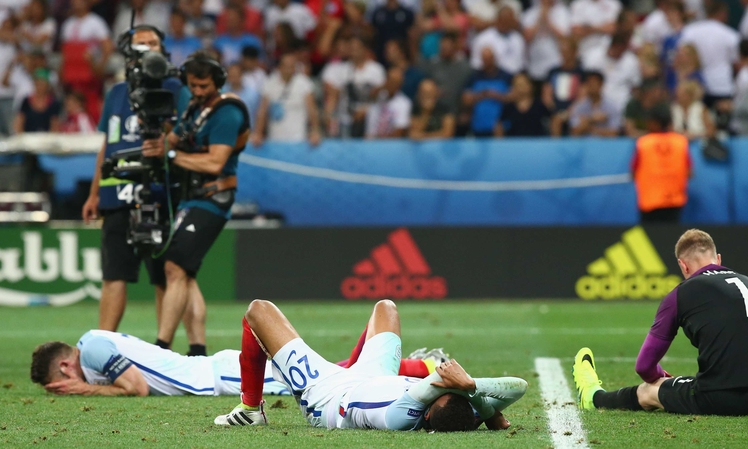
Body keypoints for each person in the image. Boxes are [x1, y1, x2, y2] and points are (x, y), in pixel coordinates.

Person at [573, 229, 748, 416]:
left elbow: (644, 367)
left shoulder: (680, 294)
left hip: (718, 399)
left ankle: (594, 397)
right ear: (718, 259)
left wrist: (660, 376)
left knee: (648, 391)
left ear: (683, 266)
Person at [213, 299, 528, 430]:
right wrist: (474, 393)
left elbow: (431, 388)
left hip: (325, 394)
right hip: (372, 375)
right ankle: (360, 363)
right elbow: (519, 387)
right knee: (386, 308)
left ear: (427, 413)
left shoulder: (399, 419)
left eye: (437, 391)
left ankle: (250, 410)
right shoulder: (460, 411)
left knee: (258, 310)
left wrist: (467, 388)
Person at [81, 26, 194, 348]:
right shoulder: (117, 91)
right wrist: (94, 192)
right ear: (128, 51)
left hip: (162, 193)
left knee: (164, 276)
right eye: (141, 44)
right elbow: (108, 143)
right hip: (117, 193)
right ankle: (100, 350)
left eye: (153, 43)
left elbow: (187, 130)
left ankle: (164, 349)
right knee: (114, 275)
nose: (147, 48)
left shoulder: (176, 87)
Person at [141, 50, 249, 354]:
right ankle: (198, 349)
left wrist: (171, 155)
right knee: (184, 274)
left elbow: (215, 162)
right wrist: (156, 138)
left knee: (174, 267)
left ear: (217, 82)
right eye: (193, 85)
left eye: (204, 86)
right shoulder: (192, 106)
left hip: (213, 198)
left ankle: (160, 347)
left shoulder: (227, 112)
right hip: (189, 198)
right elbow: (173, 139)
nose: (198, 91)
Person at [30, 325, 446, 397]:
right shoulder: (95, 342)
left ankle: (420, 366)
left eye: (62, 384)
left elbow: (136, 388)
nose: (70, 388)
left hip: (219, 376)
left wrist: (84, 390)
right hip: (217, 370)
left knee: (330, 382)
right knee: (332, 375)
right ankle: (419, 365)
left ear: (66, 367)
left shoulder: (94, 350)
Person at [630, 104, 691, 223]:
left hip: (650, 202)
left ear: (655, 122)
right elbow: (689, 172)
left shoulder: (643, 143)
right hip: (674, 201)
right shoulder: (680, 141)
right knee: (672, 239)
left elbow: (633, 172)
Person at [252, 52, 320, 145]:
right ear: (279, 67)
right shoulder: (269, 84)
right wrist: (258, 133)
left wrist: (315, 131)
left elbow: (312, 111)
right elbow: (262, 111)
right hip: (275, 139)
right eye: (286, 66)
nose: (289, 69)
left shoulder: (304, 84)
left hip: (299, 139)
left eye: (292, 66)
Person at [462, 47, 512, 138]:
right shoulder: (474, 77)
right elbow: (466, 100)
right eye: (484, 59)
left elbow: (513, 98)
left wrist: (496, 95)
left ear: (494, 58)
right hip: (478, 126)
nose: (487, 61)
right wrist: (482, 95)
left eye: (489, 58)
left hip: (501, 126)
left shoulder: (506, 76)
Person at [521, 0, 570, 82]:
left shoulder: (562, 12)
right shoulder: (530, 13)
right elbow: (527, 37)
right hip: (534, 65)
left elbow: (564, 38)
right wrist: (540, 18)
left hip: (556, 63)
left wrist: (547, 20)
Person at [470, 6, 526, 75]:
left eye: (512, 19)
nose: (511, 22)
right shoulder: (483, 38)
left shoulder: (518, 38)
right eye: (507, 20)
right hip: (491, 77)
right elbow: (476, 64)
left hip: (513, 78)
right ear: (499, 20)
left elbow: (521, 65)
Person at [494, 73, 551, 137]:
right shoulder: (509, 107)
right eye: (517, 85)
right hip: (513, 143)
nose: (521, 88)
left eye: (523, 84)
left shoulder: (540, 105)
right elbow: (499, 126)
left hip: (537, 143)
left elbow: (550, 120)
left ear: (531, 86)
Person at [569, 71, 620, 137]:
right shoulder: (579, 106)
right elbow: (574, 132)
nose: (591, 86)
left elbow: (614, 133)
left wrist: (590, 128)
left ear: (601, 84)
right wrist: (592, 119)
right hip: (584, 145)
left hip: (606, 144)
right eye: (589, 83)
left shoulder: (612, 106)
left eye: (594, 83)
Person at [366, 66, 412, 138]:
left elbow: (399, 130)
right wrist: (383, 86)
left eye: (395, 82)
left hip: (388, 144)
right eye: (390, 81)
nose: (392, 84)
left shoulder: (404, 103)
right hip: (369, 140)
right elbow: (370, 96)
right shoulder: (378, 96)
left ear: (400, 85)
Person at [13, 67, 60, 133]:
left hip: (47, 138)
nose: (39, 86)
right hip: (28, 138)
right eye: (37, 83)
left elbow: (55, 125)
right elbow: (19, 122)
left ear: (48, 85)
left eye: (42, 83)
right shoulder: (26, 101)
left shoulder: (54, 103)